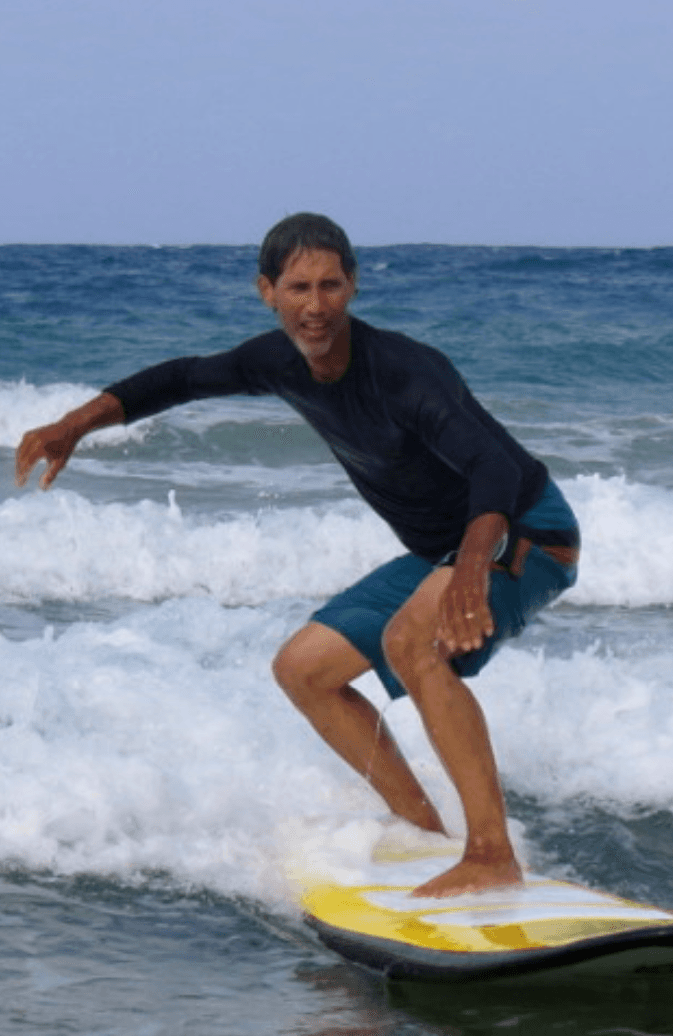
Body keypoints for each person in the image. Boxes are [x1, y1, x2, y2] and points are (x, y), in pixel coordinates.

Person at [14, 213, 579, 898]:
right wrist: (73, 423)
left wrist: (469, 571)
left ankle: (492, 853)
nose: (316, 306)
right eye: (300, 287)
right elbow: (183, 378)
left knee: (412, 642)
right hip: (443, 548)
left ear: (354, 286)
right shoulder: (279, 362)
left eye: (332, 285)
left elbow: (491, 467)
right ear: (268, 291)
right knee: (304, 669)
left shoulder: (405, 371)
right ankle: (424, 832)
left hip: (524, 529)